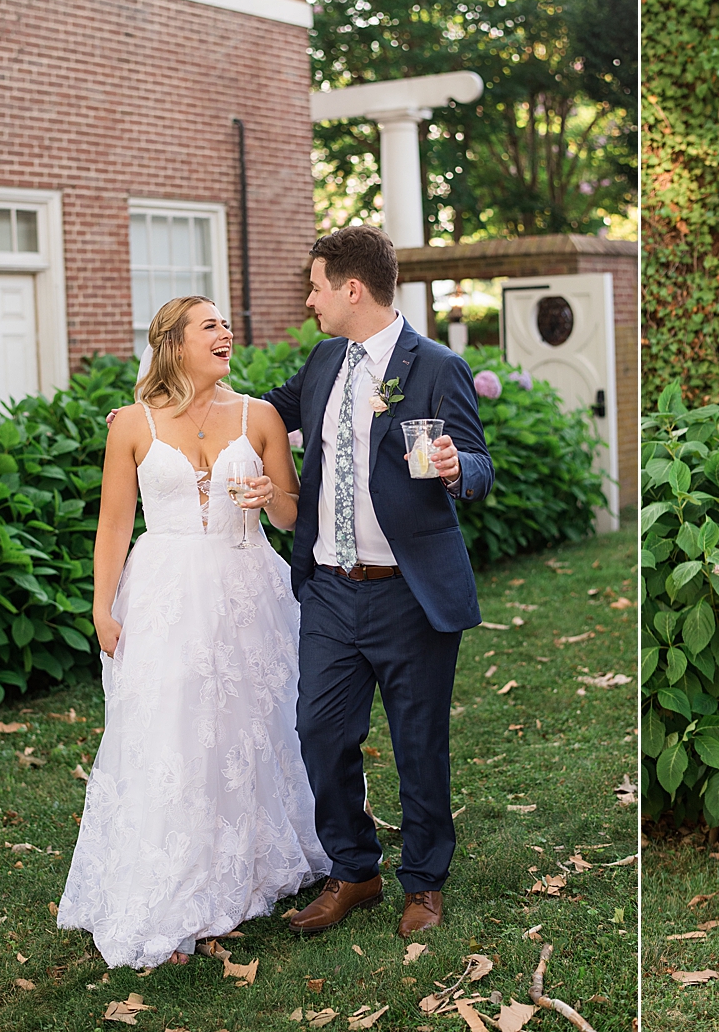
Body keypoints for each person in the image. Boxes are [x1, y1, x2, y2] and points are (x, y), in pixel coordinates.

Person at [60, 296, 328, 969]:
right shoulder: (131, 424)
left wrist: (273, 497)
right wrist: (102, 608)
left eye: (226, 325)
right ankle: (174, 872)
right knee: (172, 727)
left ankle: (245, 865)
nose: (226, 333)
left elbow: (296, 513)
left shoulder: (259, 415)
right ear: (173, 344)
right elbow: (115, 526)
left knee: (251, 726)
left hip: (247, 586)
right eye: (210, 325)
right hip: (165, 593)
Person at [260, 226, 492, 939]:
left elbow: (481, 466)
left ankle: (423, 880)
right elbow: (265, 411)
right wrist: (164, 413)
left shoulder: (435, 366)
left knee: (418, 742)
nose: (310, 299)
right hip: (330, 587)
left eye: (317, 285)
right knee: (318, 730)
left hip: (407, 591)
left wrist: (456, 469)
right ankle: (353, 867)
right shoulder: (326, 358)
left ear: (352, 289)